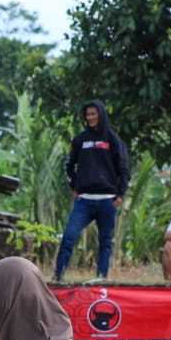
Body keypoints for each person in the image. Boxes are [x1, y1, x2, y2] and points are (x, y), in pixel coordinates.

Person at [56, 100, 130, 281]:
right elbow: (69, 166)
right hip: (84, 201)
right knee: (68, 238)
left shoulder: (112, 139)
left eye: (93, 114)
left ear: (101, 114)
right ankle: (58, 277)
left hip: (107, 200)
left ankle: (101, 278)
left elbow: (124, 168)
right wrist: (74, 187)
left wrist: (120, 194)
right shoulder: (80, 140)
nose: (90, 117)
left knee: (105, 242)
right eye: (87, 114)